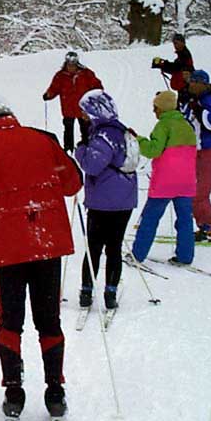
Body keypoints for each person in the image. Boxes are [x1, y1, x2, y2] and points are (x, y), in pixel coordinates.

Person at [0, 91, 82, 420]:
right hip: (47, 242)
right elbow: (73, 182)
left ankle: (14, 392)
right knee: (49, 318)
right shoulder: (43, 139)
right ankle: (55, 391)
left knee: (10, 320)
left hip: (6, 248)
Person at [73, 90, 138, 309]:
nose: (82, 116)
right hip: (125, 199)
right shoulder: (121, 131)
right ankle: (110, 293)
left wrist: (80, 148)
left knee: (93, 247)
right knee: (114, 247)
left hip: (103, 201)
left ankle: (86, 290)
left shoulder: (104, 136)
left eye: (84, 112)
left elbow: (92, 165)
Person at [131, 90, 197, 265]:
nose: (154, 111)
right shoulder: (187, 125)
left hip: (165, 182)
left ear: (163, 108)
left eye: (156, 107)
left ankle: (137, 255)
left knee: (150, 218)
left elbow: (153, 150)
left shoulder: (163, 125)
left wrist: (137, 139)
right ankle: (185, 256)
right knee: (185, 220)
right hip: (186, 182)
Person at [183, 69, 211, 242]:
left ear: (203, 84)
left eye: (194, 81)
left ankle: (210, 226)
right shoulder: (195, 100)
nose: (191, 84)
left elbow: (210, 124)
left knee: (200, 193)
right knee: (191, 191)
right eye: (190, 81)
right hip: (196, 151)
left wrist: (197, 109)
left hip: (210, 151)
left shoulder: (210, 101)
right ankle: (203, 225)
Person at [43, 51, 104, 152]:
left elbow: (97, 86)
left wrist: (97, 95)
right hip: (68, 109)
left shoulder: (86, 73)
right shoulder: (60, 76)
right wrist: (48, 95)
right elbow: (54, 88)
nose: (71, 67)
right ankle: (68, 148)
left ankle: (86, 147)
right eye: (69, 65)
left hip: (83, 109)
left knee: (86, 129)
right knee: (68, 130)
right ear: (66, 63)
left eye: (73, 65)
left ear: (77, 63)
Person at [151, 32, 194, 106]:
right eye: (174, 43)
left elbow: (176, 68)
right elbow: (176, 68)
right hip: (183, 88)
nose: (175, 45)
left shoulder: (184, 55)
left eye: (176, 43)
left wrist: (163, 64)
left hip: (186, 89)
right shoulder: (182, 55)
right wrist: (163, 64)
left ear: (182, 43)